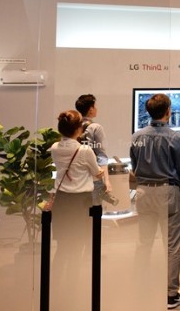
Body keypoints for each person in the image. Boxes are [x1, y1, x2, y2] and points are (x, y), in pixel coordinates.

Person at [130, 93, 180, 309]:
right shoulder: (175, 138)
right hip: (167, 191)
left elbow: (135, 167)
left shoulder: (136, 136)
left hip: (144, 192)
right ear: (168, 111)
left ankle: (140, 288)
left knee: (143, 243)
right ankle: (170, 294)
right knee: (172, 246)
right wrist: (175, 186)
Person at [49, 110, 103, 310]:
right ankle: (72, 288)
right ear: (79, 129)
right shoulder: (84, 151)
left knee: (63, 246)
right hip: (81, 202)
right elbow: (96, 174)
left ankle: (54, 285)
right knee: (79, 245)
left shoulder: (54, 148)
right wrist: (101, 172)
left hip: (62, 201)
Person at [74, 93, 118, 207]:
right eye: (95, 106)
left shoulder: (73, 126)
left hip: (76, 178)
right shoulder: (95, 127)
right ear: (90, 109)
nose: (96, 108)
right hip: (94, 177)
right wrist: (106, 180)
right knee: (94, 217)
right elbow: (101, 155)